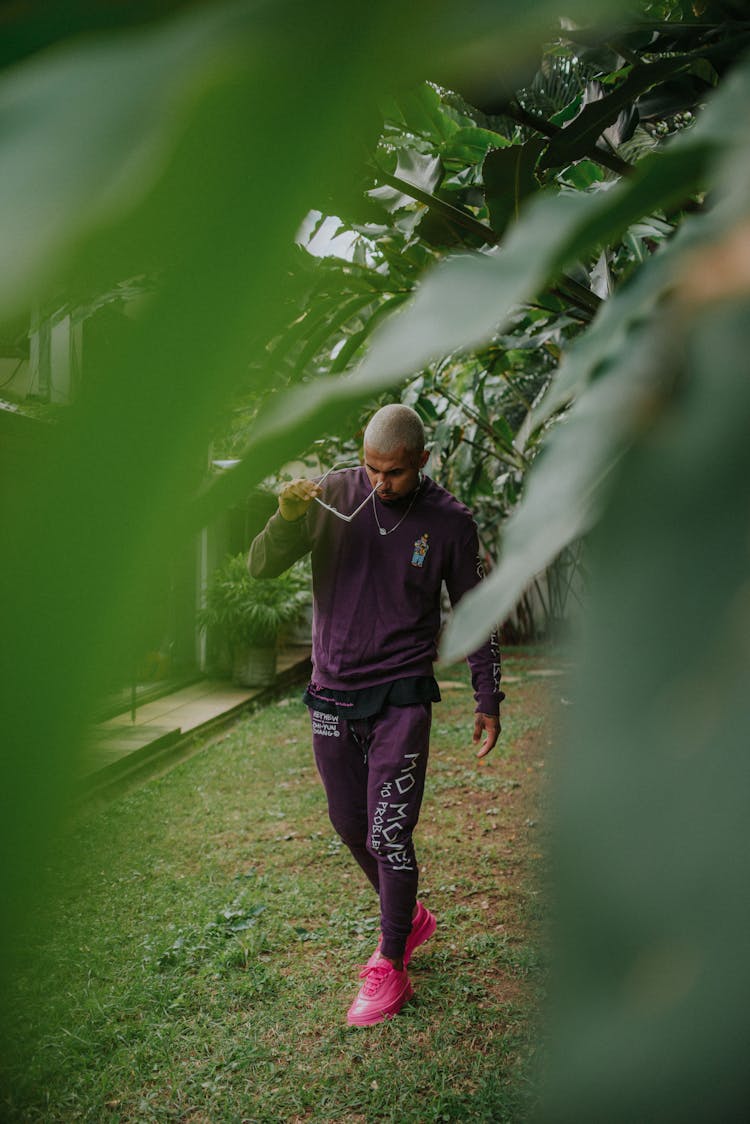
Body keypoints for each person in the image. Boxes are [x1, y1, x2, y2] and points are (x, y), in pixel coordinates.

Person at [248, 403, 503, 1026]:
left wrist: (486, 696)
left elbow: (476, 609)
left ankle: (391, 963)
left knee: (390, 830)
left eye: (392, 473)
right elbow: (259, 566)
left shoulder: (448, 522)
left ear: (421, 459)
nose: (378, 484)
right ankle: (409, 917)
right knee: (348, 824)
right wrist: (285, 520)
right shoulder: (332, 492)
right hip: (331, 690)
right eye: (370, 469)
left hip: (401, 694)